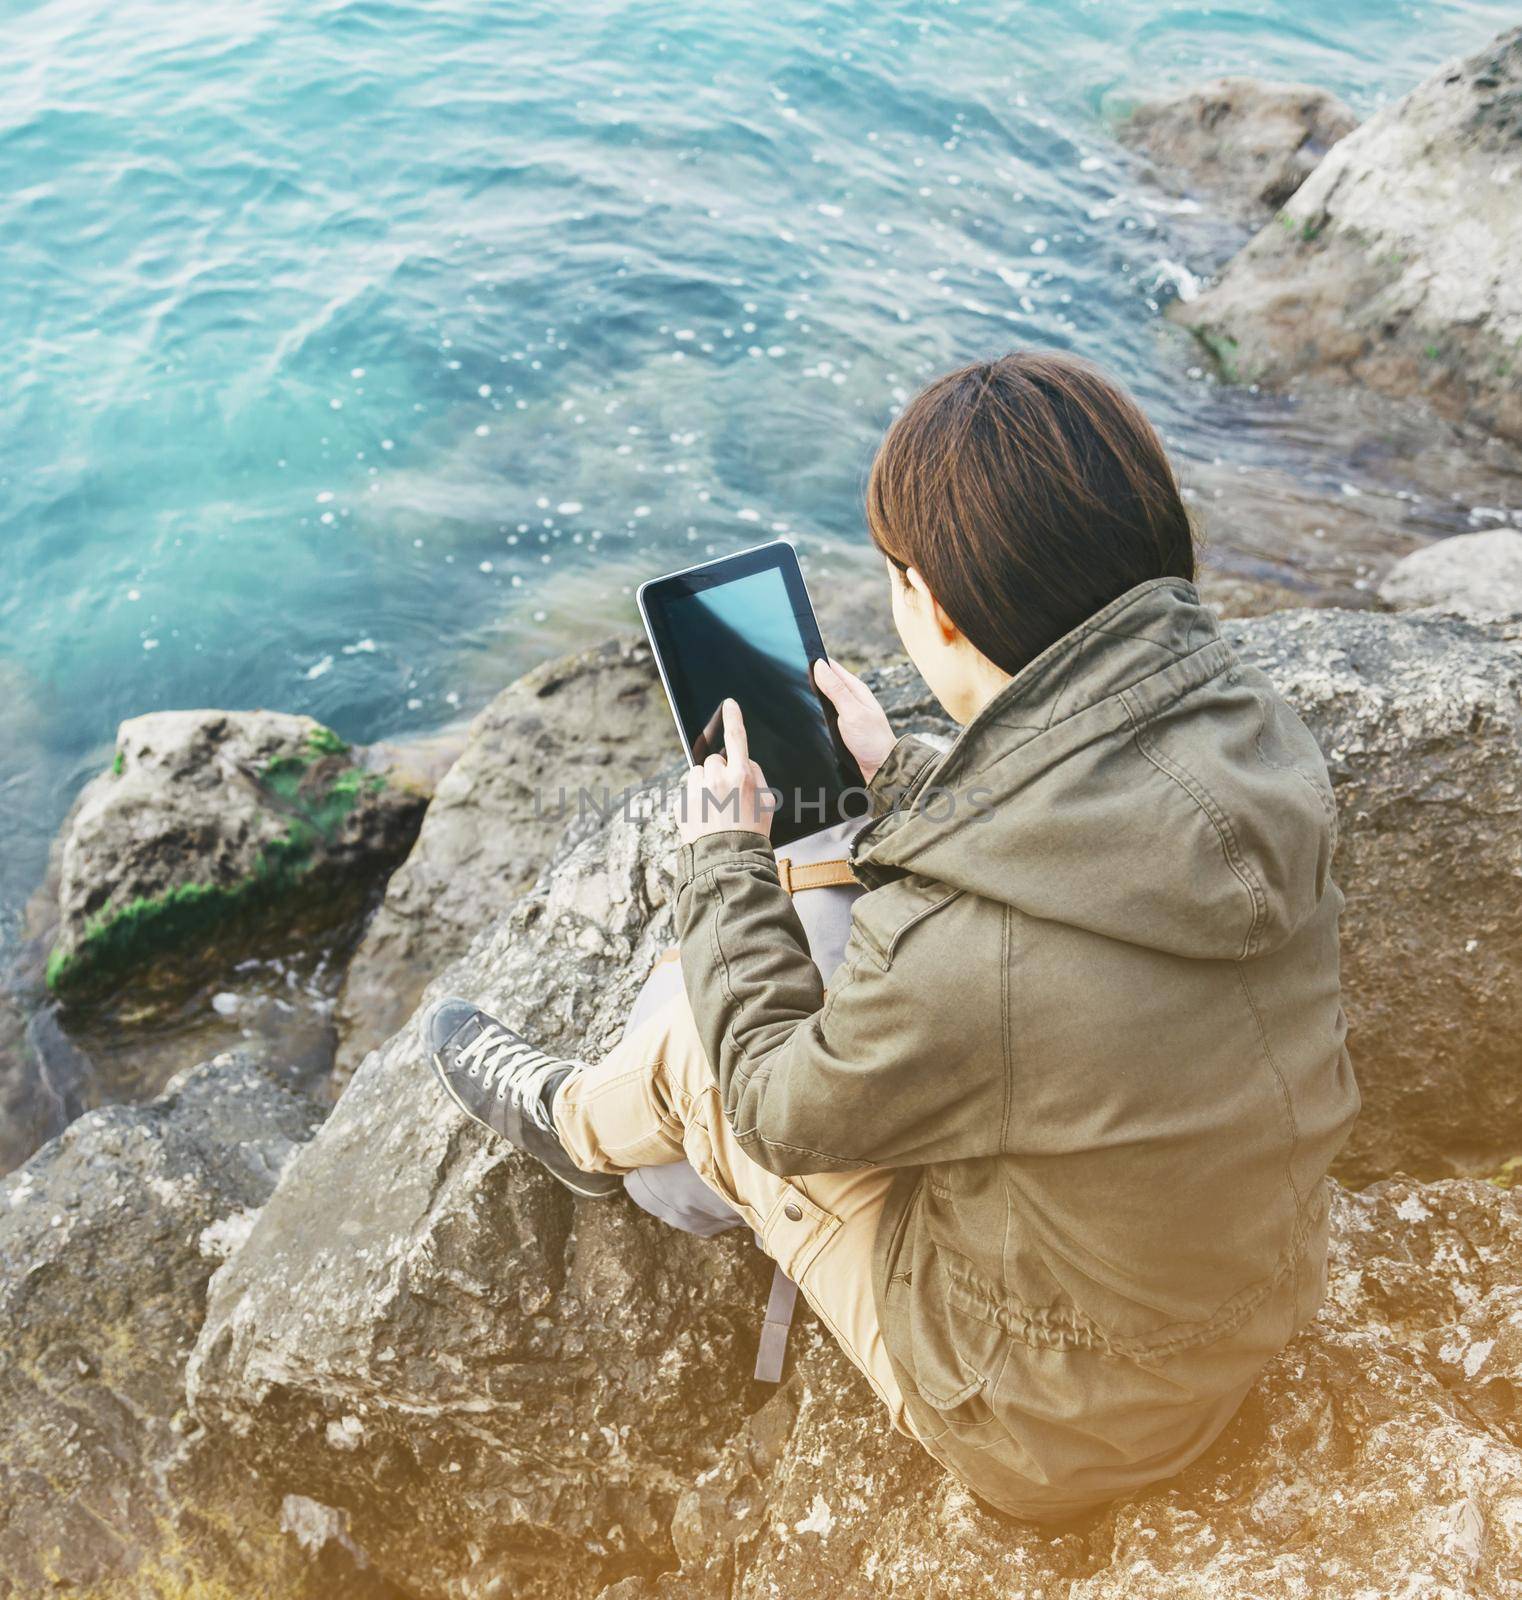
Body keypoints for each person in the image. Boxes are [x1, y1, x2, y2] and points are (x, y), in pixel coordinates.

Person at [422, 351, 1360, 1522]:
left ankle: (573, 1123)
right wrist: (900, 771)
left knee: (693, 1038)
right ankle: (643, 1103)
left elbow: (780, 1105)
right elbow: (1072, 872)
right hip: (1244, 1305)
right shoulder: (1257, 742)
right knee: (826, 895)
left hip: (1052, 1417)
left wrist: (720, 856)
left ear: (937, 611)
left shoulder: (974, 959)